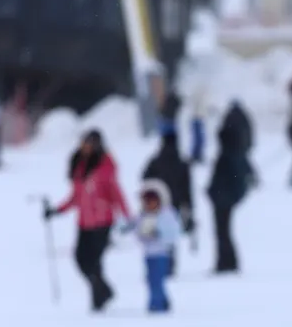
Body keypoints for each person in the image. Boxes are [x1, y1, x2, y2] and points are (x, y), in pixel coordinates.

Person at [45, 130, 133, 312]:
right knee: (80, 258)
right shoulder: (79, 166)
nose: (86, 147)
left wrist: (126, 215)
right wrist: (57, 210)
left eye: (89, 144)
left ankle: (98, 300)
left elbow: (116, 193)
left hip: (102, 220)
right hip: (84, 221)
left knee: (94, 261)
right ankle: (103, 291)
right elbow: (76, 196)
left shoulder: (105, 166)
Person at [206, 101, 256, 274]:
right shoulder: (236, 148)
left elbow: (227, 175)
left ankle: (226, 262)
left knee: (222, 231)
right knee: (224, 230)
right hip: (225, 195)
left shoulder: (229, 152)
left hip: (223, 196)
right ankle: (227, 261)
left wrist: (216, 191)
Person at [125, 180, 182, 314]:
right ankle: (159, 301)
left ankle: (157, 304)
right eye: (147, 201)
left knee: (157, 280)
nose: (150, 204)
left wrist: (159, 234)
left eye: (152, 200)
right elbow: (137, 232)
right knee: (150, 280)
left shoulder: (166, 214)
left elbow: (173, 233)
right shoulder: (142, 216)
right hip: (149, 255)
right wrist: (143, 235)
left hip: (161, 254)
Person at [142, 130, 194, 276]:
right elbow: (187, 189)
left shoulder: (156, 161)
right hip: (174, 206)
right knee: (170, 236)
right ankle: (169, 264)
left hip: (156, 206)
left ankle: (155, 265)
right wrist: (189, 208)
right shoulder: (182, 162)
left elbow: (145, 178)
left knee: (154, 236)